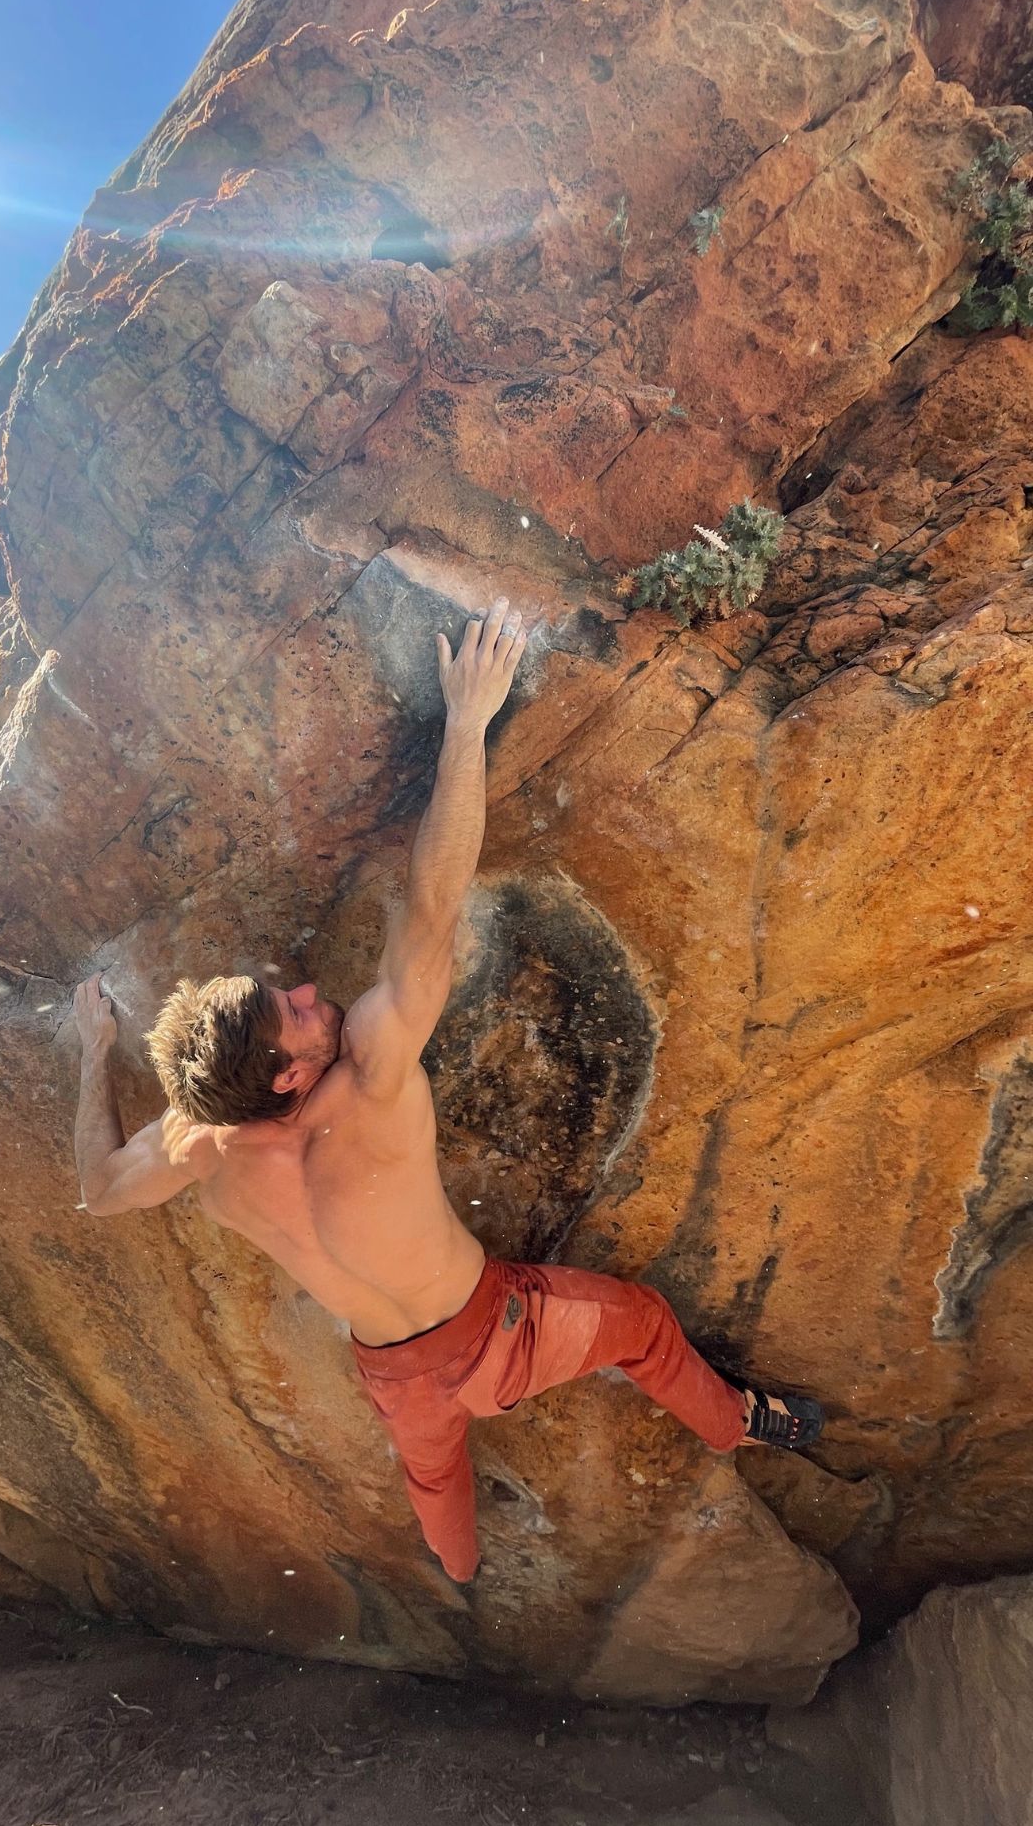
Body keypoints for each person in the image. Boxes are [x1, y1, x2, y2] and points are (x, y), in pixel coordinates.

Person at [71, 598, 823, 1584]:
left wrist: (90, 1053)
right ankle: (732, 1425)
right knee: (637, 1322)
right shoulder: (371, 1077)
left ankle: (459, 1576)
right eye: (291, 1011)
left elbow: (96, 1188)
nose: (305, 991)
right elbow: (432, 905)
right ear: (291, 1077)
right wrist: (465, 724)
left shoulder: (197, 1143)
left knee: (437, 1490)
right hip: (496, 1334)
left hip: (394, 1378)